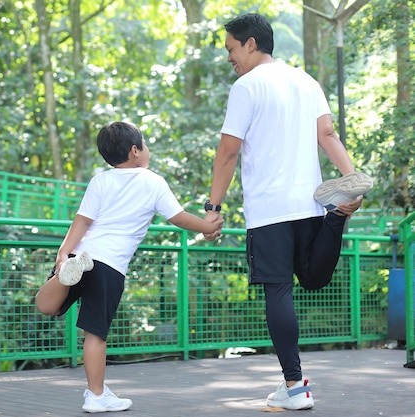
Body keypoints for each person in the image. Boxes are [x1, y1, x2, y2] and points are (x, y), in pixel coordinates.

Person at [204, 13, 373, 410]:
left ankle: (295, 386)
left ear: (249, 43)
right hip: (310, 204)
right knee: (313, 277)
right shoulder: (306, 81)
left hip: (269, 210)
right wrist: (352, 181)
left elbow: (228, 153)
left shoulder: (246, 86)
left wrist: (213, 206)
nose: (230, 58)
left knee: (278, 290)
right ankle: (336, 216)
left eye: (231, 48)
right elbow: (328, 135)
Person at [35, 121, 223, 413]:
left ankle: (64, 273)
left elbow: (83, 220)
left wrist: (63, 253)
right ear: (135, 151)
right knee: (94, 333)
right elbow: (178, 218)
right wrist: (207, 227)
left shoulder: (100, 180)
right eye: (145, 144)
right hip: (109, 264)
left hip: (82, 253)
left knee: (49, 308)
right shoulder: (152, 181)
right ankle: (96, 396)